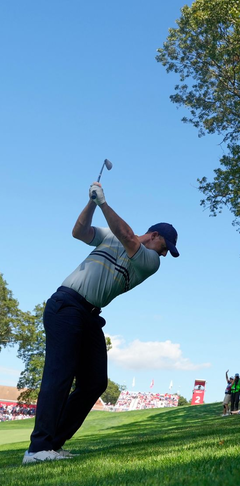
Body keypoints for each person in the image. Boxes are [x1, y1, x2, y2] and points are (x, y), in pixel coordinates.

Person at [24, 182, 179, 465]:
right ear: (155, 235)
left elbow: (127, 236)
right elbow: (79, 232)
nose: (164, 254)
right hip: (66, 305)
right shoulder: (112, 236)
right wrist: (92, 204)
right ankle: (37, 449)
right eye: (165, 247)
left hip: (90, 316)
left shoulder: (149, 262)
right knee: (59, 374)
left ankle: (52, 444)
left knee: (95, 382)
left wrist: (104, 203)